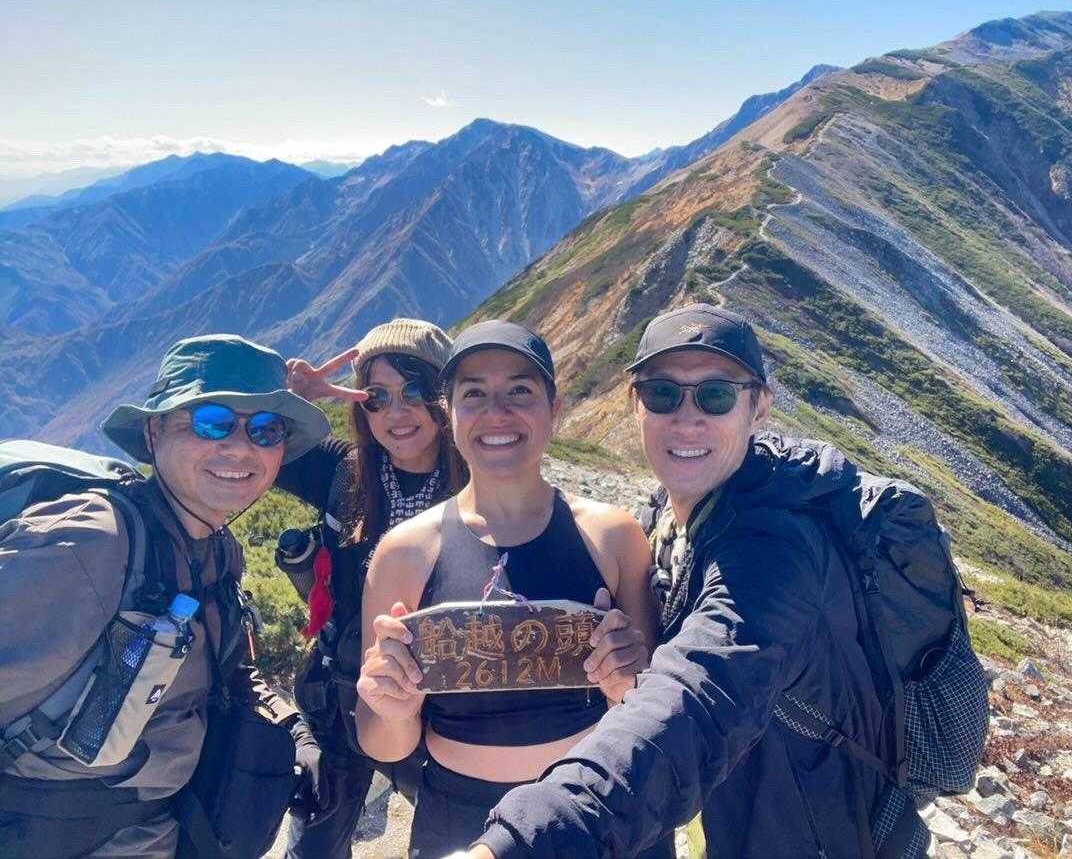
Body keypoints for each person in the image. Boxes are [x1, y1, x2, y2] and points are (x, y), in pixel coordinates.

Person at [460, 304, 911, 858]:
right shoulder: (666, 519)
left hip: (818, 837)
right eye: (662, 394)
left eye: (716, 395)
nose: (687, 419)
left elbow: (697, 697)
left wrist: (520, 845)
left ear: (759, 406)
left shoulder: (778, 548)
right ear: (635, 405)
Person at [0, 334, 331, 858]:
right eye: (211, 422)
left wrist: (291, 728)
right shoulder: (91, 543)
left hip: (162, 831)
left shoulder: (215, 547)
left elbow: (224, 665)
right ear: (154, 432)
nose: (240, 447)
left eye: (266, 429)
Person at [355, 321, 671, 859]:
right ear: (450, 412)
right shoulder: (403, 553)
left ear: (554, 408)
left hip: (598, 804)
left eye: (520, 391)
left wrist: (628, 683)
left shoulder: (614, 536)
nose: (496, 412)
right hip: (460, 818)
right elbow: (383, 742)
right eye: (474, 394)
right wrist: (394, 706)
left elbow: (652, 706)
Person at [276, 318, 468, 858]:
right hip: (339, 694)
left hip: (437, 706)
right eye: (377, 397)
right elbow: (254, 450)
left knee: (455, 841)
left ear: (446, 396)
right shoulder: (345, 473)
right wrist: (291, 402)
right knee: (315, 845)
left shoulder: (479, 484)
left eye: (415, 391)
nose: (396, 413)